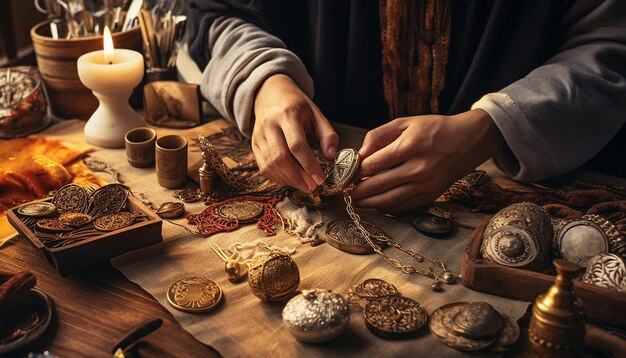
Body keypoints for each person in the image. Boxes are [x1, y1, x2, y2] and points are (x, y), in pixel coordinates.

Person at [186, 0, 626, 213]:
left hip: (515, 171)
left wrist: (492, 125)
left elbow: (610, 46)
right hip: (326, 156)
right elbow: (218, 14)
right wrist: (265, 82)